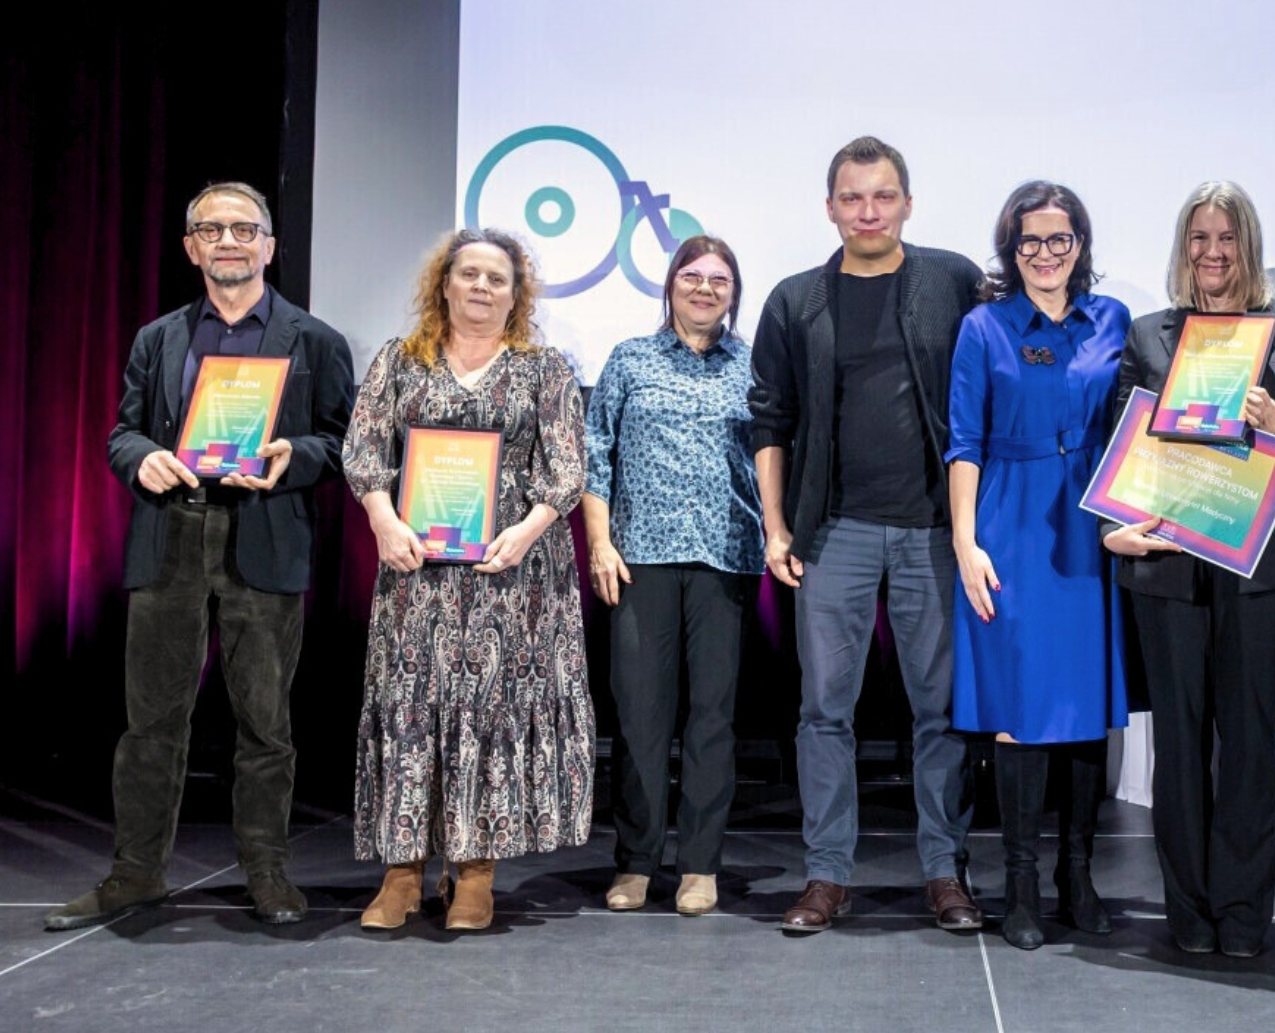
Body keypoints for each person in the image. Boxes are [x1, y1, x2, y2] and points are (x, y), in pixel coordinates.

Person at [46, 182, 355, 930]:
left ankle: (267, 873)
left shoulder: (315, 340)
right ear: (191, 247)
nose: (228, 242)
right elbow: (123, 432)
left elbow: (343, 442)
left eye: (244, 229)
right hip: (171, 538)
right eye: (211, 230)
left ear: (269, 246)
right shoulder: (158, 338)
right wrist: (142, 458)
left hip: (264, 538)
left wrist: (294, 454)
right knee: (151, 724)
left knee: (265, 725)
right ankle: (135, 873)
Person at [1105, 182, 1275, 957]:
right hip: (1169, 565)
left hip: (1258, 568)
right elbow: (1120, 446)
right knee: (1178, 746)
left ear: (1249, 245)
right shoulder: (1149, 334)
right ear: (1184, 247)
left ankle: (1243, 915)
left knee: (1247, 742)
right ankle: (1189, 913)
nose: (1213, 252)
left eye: (1227, 237)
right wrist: (1115, 528)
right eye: (1199, 238)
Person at [749, 136, 982, 932]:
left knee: (940, 711)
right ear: (830, 208)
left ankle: (945, 871)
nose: (868, 211)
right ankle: (826, 875)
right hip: (833, 532)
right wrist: (777, 526)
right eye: (852, 197)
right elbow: (770, 420)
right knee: (824, 710)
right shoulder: (796, 300)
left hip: (932, 532)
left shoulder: (953, 281)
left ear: (908, 203)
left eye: (883, 196)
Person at [343, 228, 594, 932]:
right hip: (417, 573)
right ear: (444, 285)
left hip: (512, 574)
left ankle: (476, 870)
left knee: (492, 713)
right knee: (410, 709)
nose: (482, 286)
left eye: (497, 278)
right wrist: (382, 519)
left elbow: (567, 468)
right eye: (470, 274)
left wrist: (528, 530)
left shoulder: (544, 369)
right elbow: (363, 450)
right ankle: (402, 872)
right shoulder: (400, 361)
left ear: (516, 296)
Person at [946, 181, 1130, 950]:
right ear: (1011, 248)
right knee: (1020, 705)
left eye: (1060, 239)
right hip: (1011, 521)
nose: (1046, 253)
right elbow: (964, 440)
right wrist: (965, 541)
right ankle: (1019, 884)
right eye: (1031, 241)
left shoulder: (1112, 319)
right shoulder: (983, 327)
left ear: (1079, 244)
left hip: (1093, 522)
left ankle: (1076, 876)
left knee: (1085, 701)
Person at [583, 235, 763, 917]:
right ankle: (635, 861)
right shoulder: (630, 359)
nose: (705, 288)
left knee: (713, 717)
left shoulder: (754, 366)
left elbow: (774, 454)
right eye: (692, 275)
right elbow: (596, 454)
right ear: (671, 284)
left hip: (725, 556)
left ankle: (699, 865)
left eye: (720, 279)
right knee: (639, 715)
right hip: (638, 560)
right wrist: (599, 543)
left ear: (733, 293)